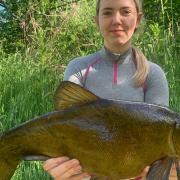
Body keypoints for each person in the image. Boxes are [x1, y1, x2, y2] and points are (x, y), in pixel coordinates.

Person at [43, 0, 175, 179]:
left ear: (138, 19)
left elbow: (159, 139)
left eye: (125, 12)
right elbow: (67, 129)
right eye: (107, 13)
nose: (116, 20)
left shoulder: (153, 73)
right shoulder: (79, 68)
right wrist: (65, 170)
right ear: (96, 20)